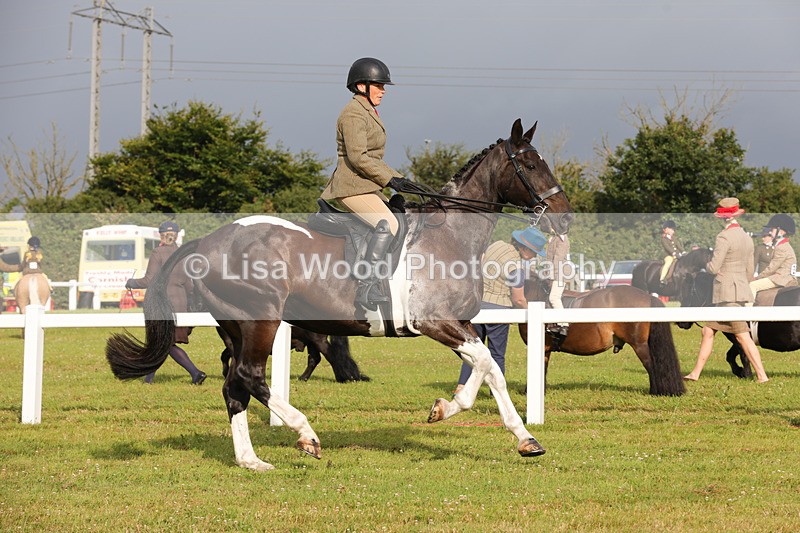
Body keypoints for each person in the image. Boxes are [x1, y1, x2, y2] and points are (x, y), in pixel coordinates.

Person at [320, 57, 409, 311]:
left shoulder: (367, 111)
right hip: (351, 187)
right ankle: (366, 286)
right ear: (361, 86)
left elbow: (374, 159)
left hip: (366, 186)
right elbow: (358, 157)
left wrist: (402, 181)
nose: (383, 90)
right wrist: (390, 180)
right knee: (388, 224)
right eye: (379, 85)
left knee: (402, 214)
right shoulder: (352, 114)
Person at [453, 226, 547, 395]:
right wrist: (531, 313)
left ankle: (461, 387)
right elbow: (518, 298)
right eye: (534, 252)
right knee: (497, 353)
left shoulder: (496, 245)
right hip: (498, 310)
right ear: (524, 248)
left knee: (473, 350)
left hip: (476, 306)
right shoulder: (516, 266)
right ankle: (495, 392)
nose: (534, 256)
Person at [683, 198, 768, 383]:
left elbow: (713, 268)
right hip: (739, 291)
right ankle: (695, 373)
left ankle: (762, 375)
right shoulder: (747, 238)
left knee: (742, 336)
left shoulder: (723, 237)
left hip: (726, 293)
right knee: (708, 331)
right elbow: (749, 270)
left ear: (723, 217)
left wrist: (704, 263)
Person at [125, 221, 206, 385]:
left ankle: (196, 373)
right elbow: (189, 284)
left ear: (160, 235)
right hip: (180, 301)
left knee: (165, 343)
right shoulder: (183, 254)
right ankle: (148, 379)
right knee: (161, 342)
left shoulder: (158, 252)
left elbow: (149, 280)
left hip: (162, 303)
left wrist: (131, 282)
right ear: (176, 235)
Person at [749, 214, 797, 302]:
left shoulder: (782, 247)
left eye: (772, 230)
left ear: (781, 232)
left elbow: (772, 268)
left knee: (752, 285)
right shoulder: (783, 245)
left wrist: (758, 277)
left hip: (781, 278)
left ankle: (746, 312)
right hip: (784, 277)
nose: (770, 232)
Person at [544, 230, 570, 346]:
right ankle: (553, 324)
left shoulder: (562, 239)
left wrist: (550, 275)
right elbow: (549, 259)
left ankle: (564, 324)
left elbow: (558, 260)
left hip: (560, 272)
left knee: (554, 297)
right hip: (555, 272)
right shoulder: (554, 238)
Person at [659, 220, 684, 285]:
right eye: (672, 230)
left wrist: (683, 251)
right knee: (668, 262)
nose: (673, 231)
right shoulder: (663, 238)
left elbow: (678, 245)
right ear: (667, 229)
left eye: (674, 230)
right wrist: (673, 253)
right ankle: (662, 278)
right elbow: (667, 247)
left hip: (676, 255)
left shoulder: (674, 238)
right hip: (668, 255)